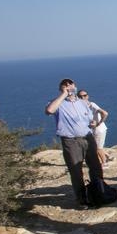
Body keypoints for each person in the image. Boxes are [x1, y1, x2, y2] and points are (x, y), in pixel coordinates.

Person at [44, 78, 104, 209]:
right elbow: (49, 110)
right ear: (60, 88)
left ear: (75, 85)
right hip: (71, 141)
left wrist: (93, 123)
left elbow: (90, 118)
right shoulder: (57, 103)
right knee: (76, 171)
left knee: (95, 166)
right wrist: (64, 94)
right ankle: (82, 199)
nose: (68, 86)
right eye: (64, 84)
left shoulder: (83, 103)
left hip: (88, 138)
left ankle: (100, 192)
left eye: (70, 84)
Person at [78, 90, 109, 165]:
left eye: (84, 95)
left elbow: (105, 113)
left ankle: (104, 163)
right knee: (94, 146)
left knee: (98, 148)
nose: (83, 98)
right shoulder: (81, 107)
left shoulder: (92, 105)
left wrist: (98, 123)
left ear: (87, 96)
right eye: (80, 96)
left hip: (99, 130)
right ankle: (107, 157)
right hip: (93, 130)